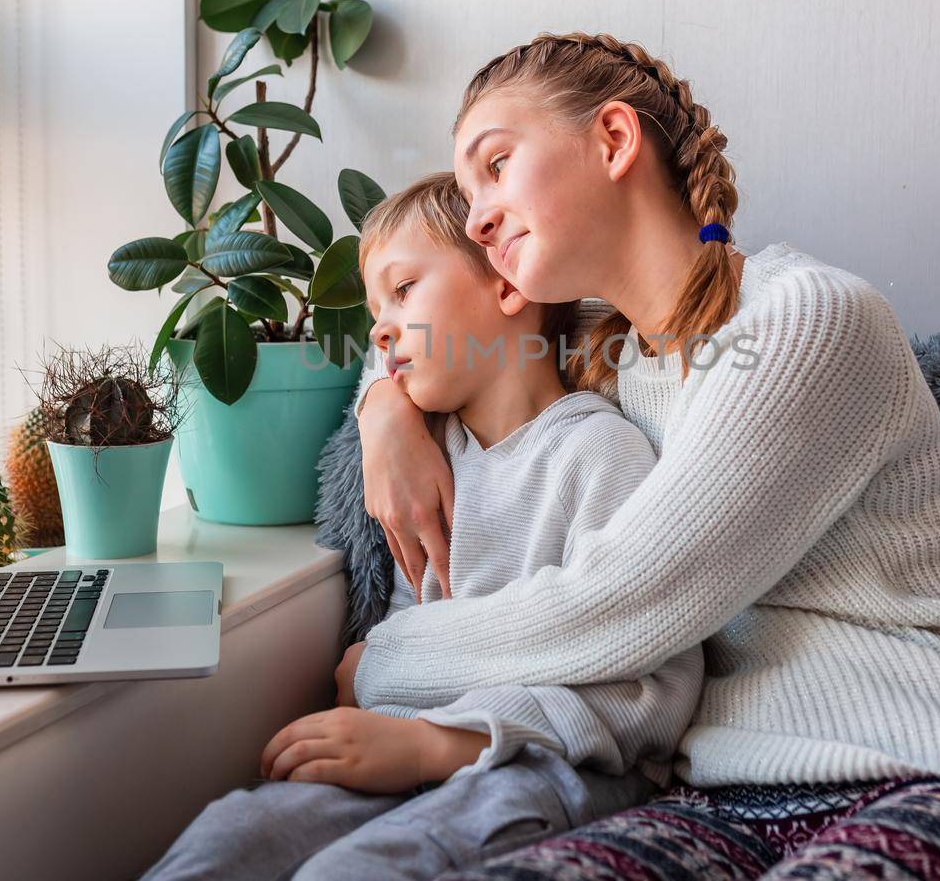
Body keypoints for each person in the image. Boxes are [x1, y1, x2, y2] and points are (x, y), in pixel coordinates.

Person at [341, 33, 940, 880]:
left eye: (495, 165)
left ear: (613, 140)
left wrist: (385, 658)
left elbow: (623, 600)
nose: (478, 217)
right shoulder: (609, 372)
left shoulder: (807, 319)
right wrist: (382, 412)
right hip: (725, 797)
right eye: (465, 194)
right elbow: (443, 344)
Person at [140, 173, 702, 881]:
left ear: (507, 286)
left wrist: (437, 744)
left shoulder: (599, 454)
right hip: (408, 748)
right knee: (231, 837)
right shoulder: (431, 458)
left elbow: (650, 696)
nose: (379, 327)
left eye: (403, 291)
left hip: (549, 766)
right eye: (376, 306)